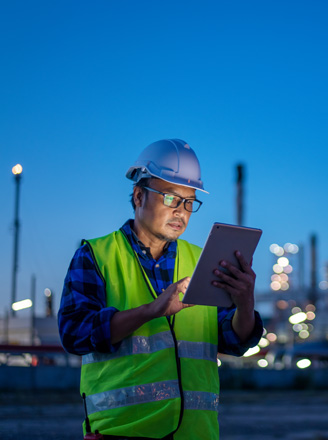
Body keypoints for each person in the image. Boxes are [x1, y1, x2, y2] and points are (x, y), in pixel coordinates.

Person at [58, 139, 263, 439]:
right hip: (123, 432)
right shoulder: (96, 256)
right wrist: (151, 311)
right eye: (171, 198)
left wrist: (245, 305)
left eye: (189, 202)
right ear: (139, 195)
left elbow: (233, 340)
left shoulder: (201, 262)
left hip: (196, 434)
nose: (182, 211)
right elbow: (74, 333)